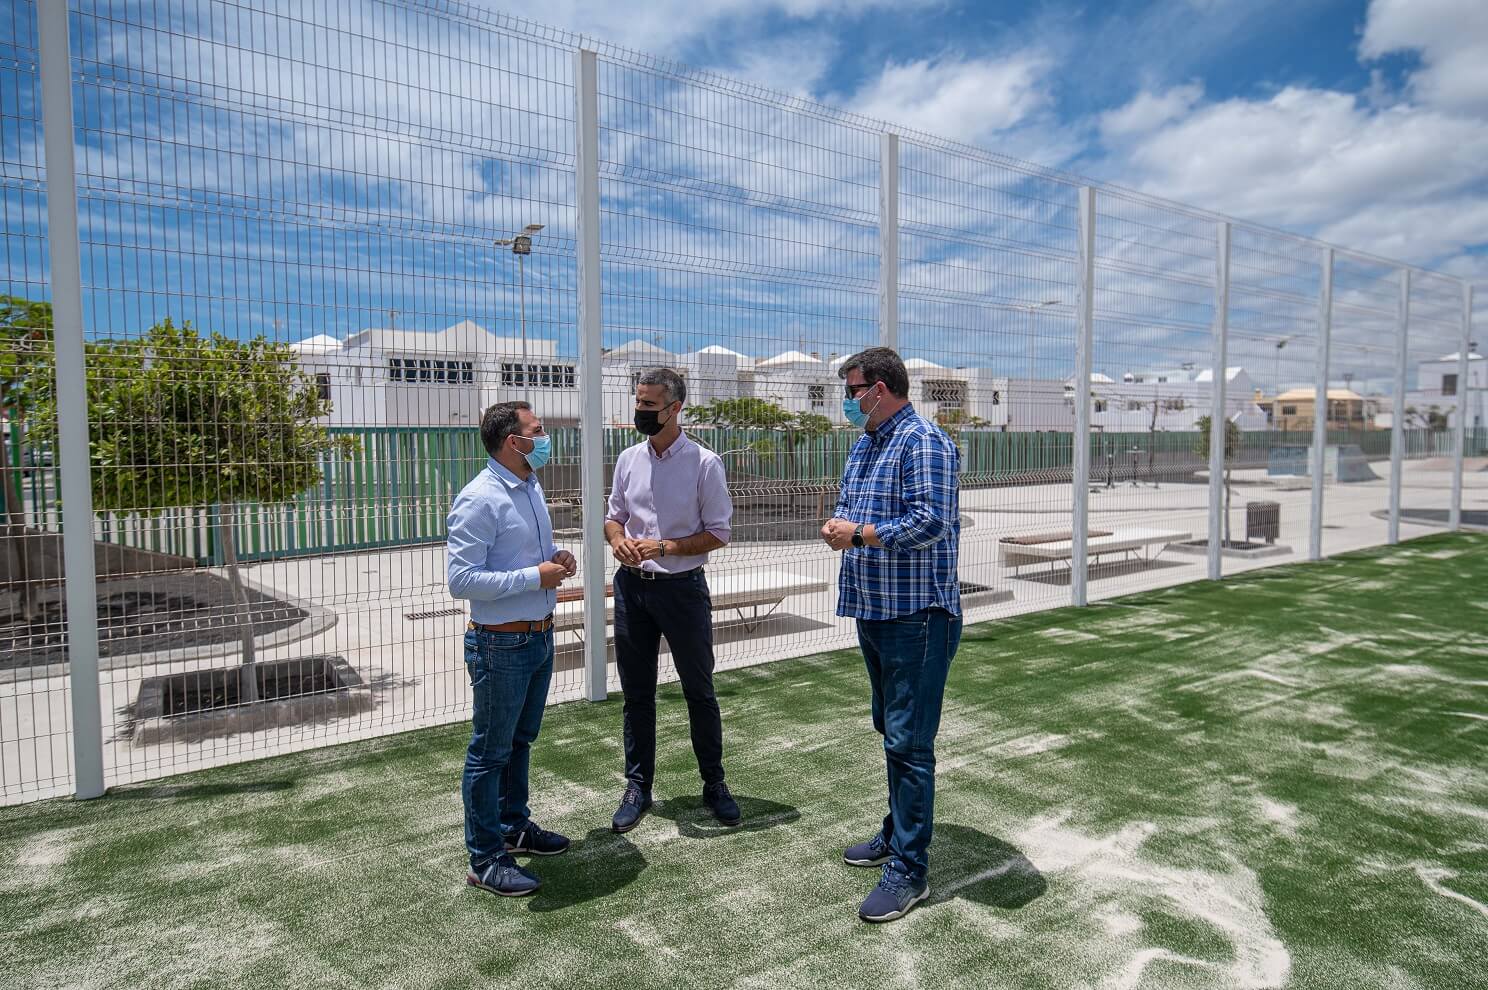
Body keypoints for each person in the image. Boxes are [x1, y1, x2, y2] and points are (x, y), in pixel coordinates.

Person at [820, 347, 962, 923]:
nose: (848, 401)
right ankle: (897, 831)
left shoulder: (922, 442)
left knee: (908, 741)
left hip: (917, 615)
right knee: (891, 729)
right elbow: (851, 506)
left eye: (852, 391)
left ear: (879, 389)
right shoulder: (867, 443)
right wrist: (839, 524)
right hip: (875, 610)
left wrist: (858, 534)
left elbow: (932, 521)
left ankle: (909, 869)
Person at [447, 400, 578, 897]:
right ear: (513, 442)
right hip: (500, 644)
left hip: (537, 636)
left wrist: (555, 559)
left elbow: (523, 558)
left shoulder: (529, 486)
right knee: (489, 752)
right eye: (537, 430)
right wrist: (533, 576)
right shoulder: (479, 499)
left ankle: (512, 826)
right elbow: (461, 580)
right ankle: (484, 858)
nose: (545, 438)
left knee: (519, 741)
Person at [604, 367, 740, 832]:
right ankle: (637, 787)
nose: (640, 410)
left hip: (683, 591)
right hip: (631, 589)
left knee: (699, 691)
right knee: (636, 695)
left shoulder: (704, 463)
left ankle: (714, 783)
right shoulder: (628, 459)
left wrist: (664, 547)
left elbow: (719, 533)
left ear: (675, 408)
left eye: (649, 404)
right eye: (638, 402)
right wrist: (618, 541)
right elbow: (614, 517)